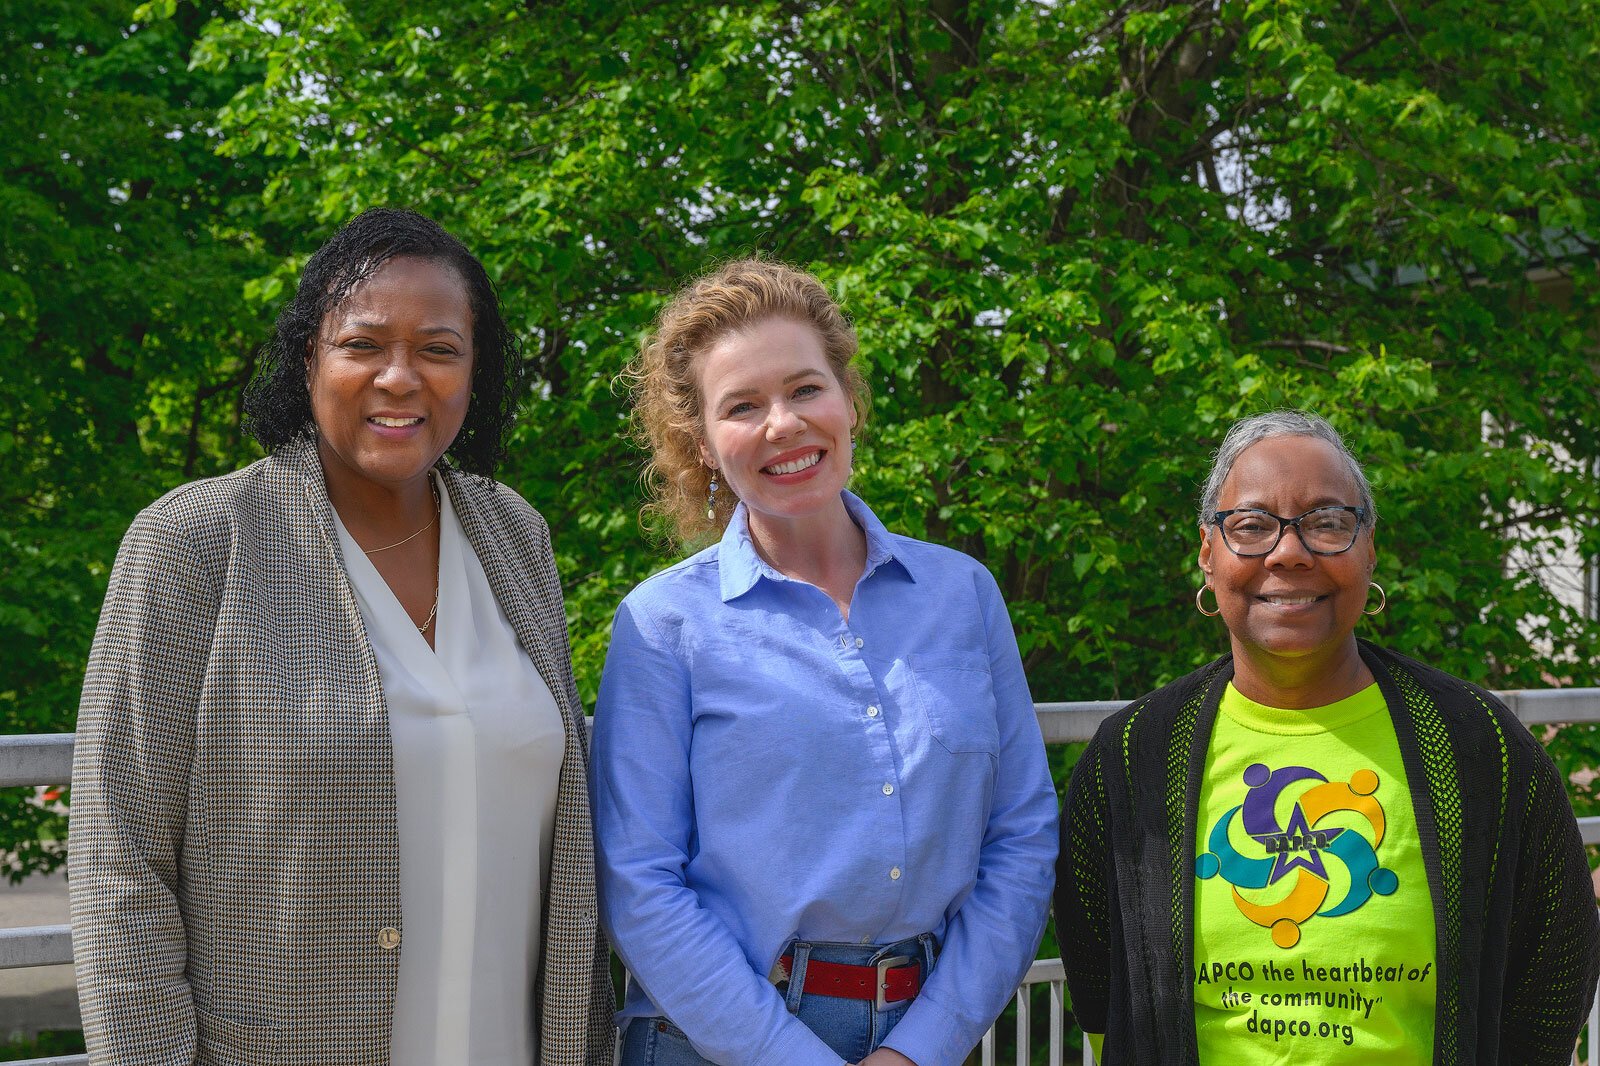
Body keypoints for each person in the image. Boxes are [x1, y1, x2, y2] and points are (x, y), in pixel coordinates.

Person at [67, 208, 614, 1066]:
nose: (400, 377)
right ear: (309, 361)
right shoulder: (196, 539)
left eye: (439, 349)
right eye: (362, 345)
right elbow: (118, 861)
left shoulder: (515, 535)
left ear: (476, 372)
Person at [590, 259, 1059, 1066]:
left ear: (847, 399)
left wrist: (924, 1046)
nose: (783, 424)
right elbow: (638, 882)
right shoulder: (665, 624)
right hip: (717, 1042)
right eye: (742, 406)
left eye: (805, 389)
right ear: (702, 443)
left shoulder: (962, 595)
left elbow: (1021, 836)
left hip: (927, 1037)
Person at [1056, 410, 1600, 1064]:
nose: (1290, 552)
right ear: (1208, 553)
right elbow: (1098, 980)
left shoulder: (1479, 746)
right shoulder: (1131, 758)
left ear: (1369, 550)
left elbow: (1554, 965)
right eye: (1252, 526)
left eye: (1328, 523)